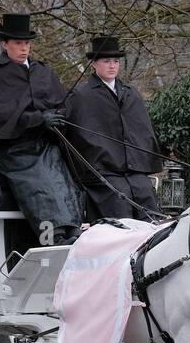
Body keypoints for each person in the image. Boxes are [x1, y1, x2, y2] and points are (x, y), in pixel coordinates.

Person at [0, 13, 84, 248]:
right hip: (11, 148)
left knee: (63, 169)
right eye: (18, 43)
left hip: (44, 143)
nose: (24, 48)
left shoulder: (43, 72)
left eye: (27, 43)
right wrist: (37, 119)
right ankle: (53, 233)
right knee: (39, 176)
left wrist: (56, 118)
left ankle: (74, 226)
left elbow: (62, 102)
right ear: (5, 44)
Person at [63, 35, 165, 220]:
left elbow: (143, 130)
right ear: (93, 64)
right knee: (118, 205)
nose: (112, 66)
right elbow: (77, 137)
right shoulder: (81, 95)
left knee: (150, 209)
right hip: (103, 173)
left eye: (116, 61)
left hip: (135, 171)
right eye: (106, 61)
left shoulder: (131, 92)